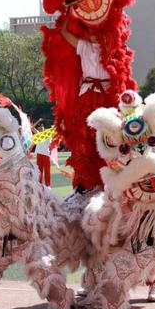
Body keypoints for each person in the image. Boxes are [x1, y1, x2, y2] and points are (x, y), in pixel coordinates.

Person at [59, 16, 112, 193]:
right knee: (83, 136)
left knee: (108, 137)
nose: (93, 33)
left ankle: (108, 178)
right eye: (89, 29)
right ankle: (84, 181)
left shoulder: (113, 47)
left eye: (98, 29)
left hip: (107, 96)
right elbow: (65, 33)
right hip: (88, 94)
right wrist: (67, 15)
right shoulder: (83, 45)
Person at [34, 124, 52, 188]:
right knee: (39, 170)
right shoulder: (38, 134)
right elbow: (32, 128)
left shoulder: (48, 134)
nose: (41, 127)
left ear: (44, 127)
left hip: (46, 154)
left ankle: (48, 185)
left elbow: (55, 130)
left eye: (42, 126)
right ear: (38, 128)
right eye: (40, 126)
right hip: (39, 154)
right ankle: (39, 184)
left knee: (47, 171)